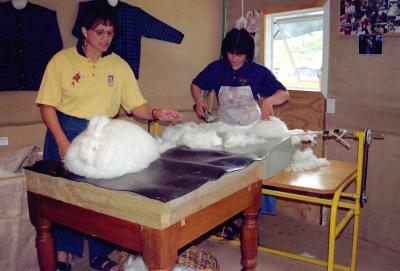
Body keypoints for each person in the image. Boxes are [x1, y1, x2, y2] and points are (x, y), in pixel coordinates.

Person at [35, 4, 182, 271]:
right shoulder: (62, 61)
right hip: (66, 129)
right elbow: (47, 106)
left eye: (110, 32)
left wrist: (156, 112)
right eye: (100, 32)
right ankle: (63, 254)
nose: (106, 38)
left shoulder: (119, 65)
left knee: (102, 198)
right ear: (84, 31)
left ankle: (99, 254)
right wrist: (61, 141)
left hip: (103, 134)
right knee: (67, 197)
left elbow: (136, 106)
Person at [190, 28, 289, 238]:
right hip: (225, 129)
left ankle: (248, 219)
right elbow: (196, 85)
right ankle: (226, 219)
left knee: (249, 177)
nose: (235, 58)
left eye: (240, 54)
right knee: (225, 176)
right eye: (231, 53)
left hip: (250, 131)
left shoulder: (257, 72)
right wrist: (199, 100)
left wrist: (269, 100)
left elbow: (284, 93)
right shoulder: (217, 68)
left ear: (248, 54)